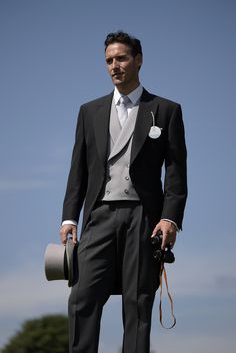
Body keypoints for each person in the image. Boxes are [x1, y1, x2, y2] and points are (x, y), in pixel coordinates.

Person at [60, 31, 187, 353]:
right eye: (109, 61)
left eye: (121, 58)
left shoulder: (166, 109)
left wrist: (169, 219)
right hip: (99, 215)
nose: (114, 66)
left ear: (138, 60)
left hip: (144, 217)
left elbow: (175, 172)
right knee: (82, 297)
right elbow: (78, 170)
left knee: (138, 302)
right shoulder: (89, 111)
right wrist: (69, 219)